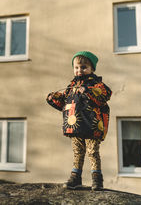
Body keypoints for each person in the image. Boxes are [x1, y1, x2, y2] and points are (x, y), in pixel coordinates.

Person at [46, 51, 112, 191]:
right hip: (75, 126)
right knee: (77, 151)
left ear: (92, 69)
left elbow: (105, 94)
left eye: (84, 67)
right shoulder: (71, 86)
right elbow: (65, 102)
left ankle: (97, 179)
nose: (79, 70)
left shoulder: (96, 83)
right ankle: (75, 178)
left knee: (92, 151)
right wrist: (54, 98)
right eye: (76, 67)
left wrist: (87, 90)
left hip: (91, 126)